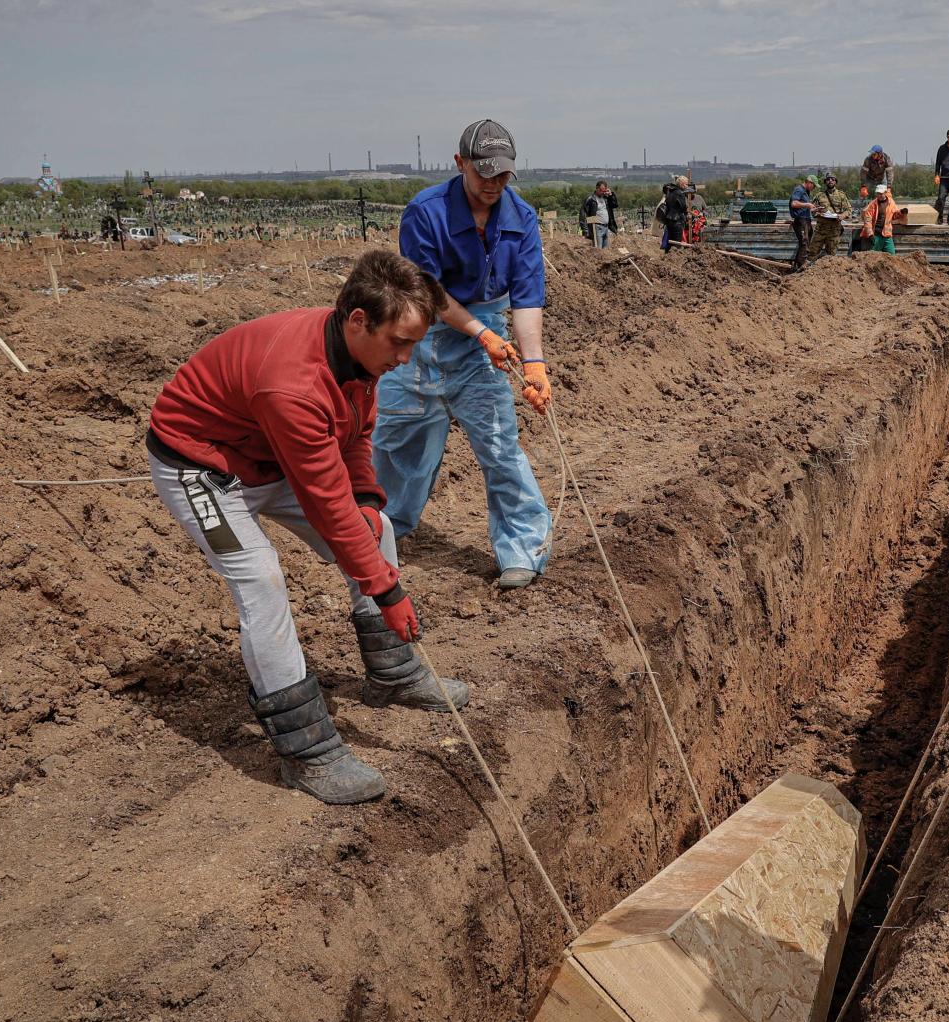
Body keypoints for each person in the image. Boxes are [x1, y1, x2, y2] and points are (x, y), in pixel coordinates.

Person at [145, 251, 472, 805]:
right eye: (399, 342)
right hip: (202, 466)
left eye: (414, 343)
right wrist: (385, 590)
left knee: (378, 529)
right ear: (358, 321)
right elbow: (324, 501)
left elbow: (354, 440)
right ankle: (307, 753)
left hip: (272, 453)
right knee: (261, 581)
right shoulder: (293, 385)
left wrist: (368, 499)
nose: (406, 358)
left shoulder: (358, 358)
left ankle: (391, 675)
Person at [374, 118, 554, 591]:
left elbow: (528, 296)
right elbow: (428, 290)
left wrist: (533, 361)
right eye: (484, 173)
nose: (493, 184)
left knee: (499, 444)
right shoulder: (425, 212)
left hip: (483, 343)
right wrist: (479, 333)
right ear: (460, 164)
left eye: (503, 175)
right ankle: (379, 531)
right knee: (397, 438)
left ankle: (522, 547)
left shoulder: (521, 218)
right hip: (418, 335)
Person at [806, 174, 852, 263]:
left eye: (832, 179)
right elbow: (812, 210)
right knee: (812, 254)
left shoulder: (841, 195)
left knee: (831, 256)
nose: (830, 181)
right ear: (825, 182)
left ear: (835, 181)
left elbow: (849, 210)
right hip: (820, 230)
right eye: (828, 179)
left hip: (834, 231)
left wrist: (842, 215)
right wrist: (818, 213)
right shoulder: (819, 195)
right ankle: (809, 273)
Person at [859, 184, 905, 254]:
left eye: (880, 194)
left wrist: (901, 213)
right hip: (876, 235)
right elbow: (867, 220)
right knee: (875, 257)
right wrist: (870, 234)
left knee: (892, 255)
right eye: (877, 194)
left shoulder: (891, 202)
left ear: (885, 193)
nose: (879, 195)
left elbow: (894, 216)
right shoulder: (872, 204)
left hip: (887, 235)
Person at [788, 175, 817, 272]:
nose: (814, 188)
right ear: (809, 182)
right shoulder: (799, 190)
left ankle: (796, 266)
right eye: (814, 186)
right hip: (801, 220)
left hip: (806, 220)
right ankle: (801, 267)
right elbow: (794, 203)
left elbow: (803, 206)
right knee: (804, 243)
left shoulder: (806, 192)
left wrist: (812, 207)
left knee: (805, 243)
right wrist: (807, 205)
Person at [580, 181, 619, 248]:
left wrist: (611, 195)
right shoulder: (591, 199)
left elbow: (615, 205)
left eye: (604, 191)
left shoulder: (606, 198)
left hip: (606, 227)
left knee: (605, 250)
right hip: (597, 227)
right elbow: (583, 213)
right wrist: (585, 230)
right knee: (598, 249)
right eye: (601, 190)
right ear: (597, 189)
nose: (603, 192)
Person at [658, 175, 692, 250]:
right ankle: (675, 258)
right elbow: (683, 207)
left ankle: (668, 258)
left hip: (669, 220)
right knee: (677, 242)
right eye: (686, 184)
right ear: (682, 184)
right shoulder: (680, 193)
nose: (687, 186)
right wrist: (687, 213)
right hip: (677, 221)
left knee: (669, 242)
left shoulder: (670, 191)